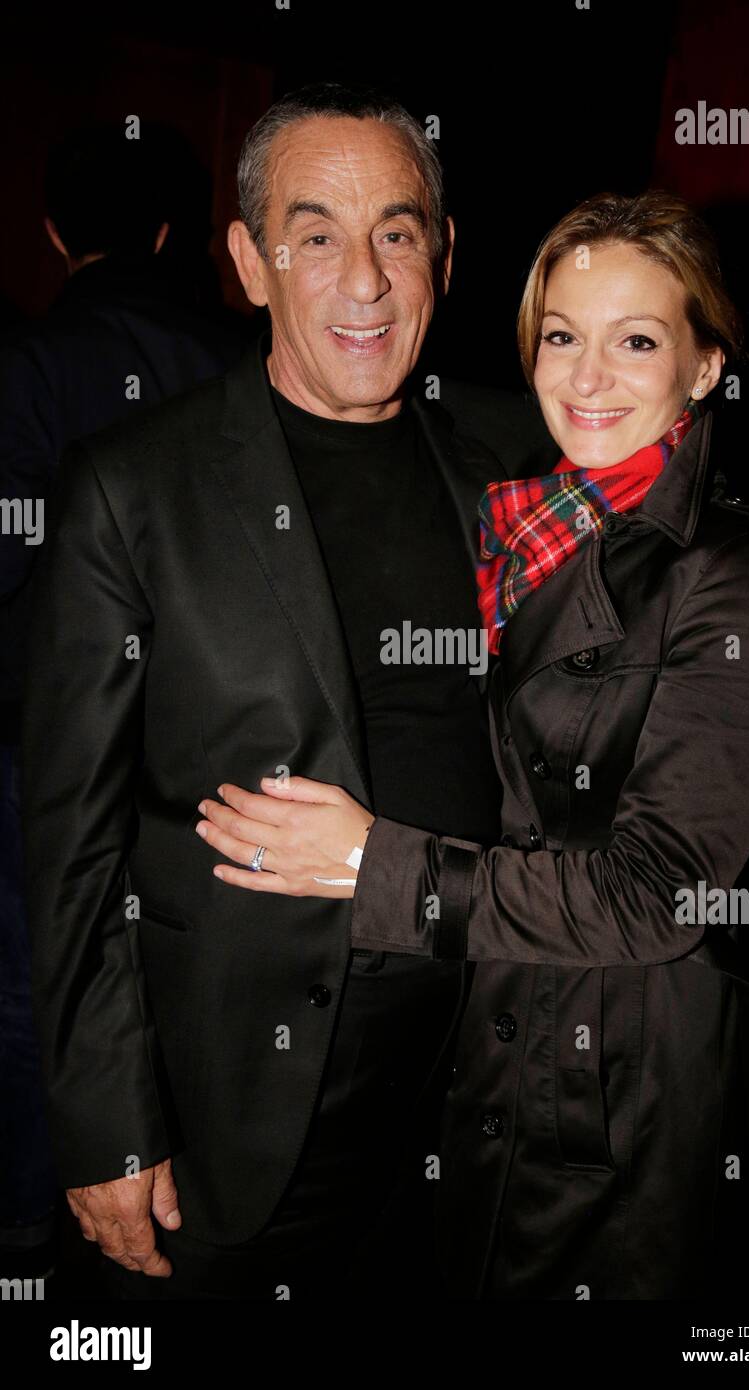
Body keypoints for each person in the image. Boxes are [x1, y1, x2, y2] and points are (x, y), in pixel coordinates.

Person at [20, 87, 749, 1301]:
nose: (364, 280)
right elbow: (69, 835)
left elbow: (681, 481)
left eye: (397, 233)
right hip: (231, 1111)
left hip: (472, 1097)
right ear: (249, 262)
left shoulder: (507, 456)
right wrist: (104, 1120)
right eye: (315, 235)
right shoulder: (131, 488)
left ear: (445, 257)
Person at [0, 121, 247, 1285]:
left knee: (30, 985)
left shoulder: (31, 368)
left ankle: (30, 1240)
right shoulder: (248, 363)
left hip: (36, 762)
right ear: (173, 234)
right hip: (216, 767)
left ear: (55, 236)